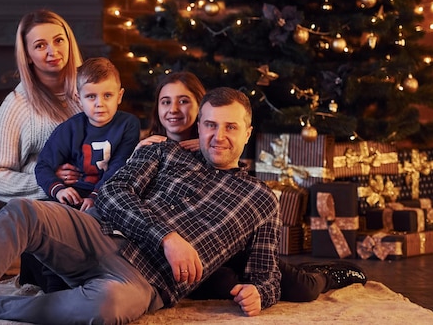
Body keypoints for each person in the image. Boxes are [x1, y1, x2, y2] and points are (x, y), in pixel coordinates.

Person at [0, 87, 281, 325]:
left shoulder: (261, 199)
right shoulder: (165, 153)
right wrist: (168, 237)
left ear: (248, 132)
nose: (217, 135)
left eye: (230, 126)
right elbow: (112, 194)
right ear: (200, 126)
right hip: (103, 238)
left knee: (107, 308)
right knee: (24, 212)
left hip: (145, 283)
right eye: (210, 125)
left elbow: (268, 273)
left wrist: (260, 293)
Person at [137, 71, 367, 302]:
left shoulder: (213, 145)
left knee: (301, 289)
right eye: (165, 101)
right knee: (225, 283)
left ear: (200, 107)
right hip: (179, 248)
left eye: (184, 101)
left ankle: (326, 274)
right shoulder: (151, 149)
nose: (174, 109)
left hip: (229, 236)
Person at [0, 9, 84, 202]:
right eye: (40, 45)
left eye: (59, 40)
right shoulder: (17, 106)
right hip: (47, 207)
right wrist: (51, 183)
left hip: (94, 200)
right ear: (27, 56)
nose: (53, 51)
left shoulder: (90, 92)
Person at [35, 56, 140, 212]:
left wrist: (95, 196)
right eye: (91, 96)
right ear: (79, 99)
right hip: (71, 195)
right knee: (29, 214)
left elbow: (119, 165)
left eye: (107, 95)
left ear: (119, 96)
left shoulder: (128, 125)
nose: (99, 104)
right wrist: (59, 190)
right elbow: (43, 166)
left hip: (107, 196)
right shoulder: (69, 129)